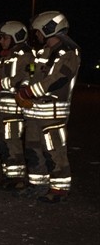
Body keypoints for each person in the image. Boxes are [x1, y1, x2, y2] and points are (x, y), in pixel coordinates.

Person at [16, 11, 80, 203]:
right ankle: (38, 185)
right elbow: (33, 73)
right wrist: (23, 87)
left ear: (48, 28)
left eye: (37, 31)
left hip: (52, 112)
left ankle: (59, 189)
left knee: (54, 151)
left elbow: (56, 80)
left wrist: (29, 92)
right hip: (35, 112)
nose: (36, 34)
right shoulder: (44, 51)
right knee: (33, 150)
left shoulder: (69, 52)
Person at [0, 21, 33, 189]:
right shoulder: (6, 56)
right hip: (2, 110)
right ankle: (9, 176)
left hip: (14, 109)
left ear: (15, 37)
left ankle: (18, 179)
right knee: (2, 144)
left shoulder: (25, 56)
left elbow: (25, 78)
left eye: (4, 38)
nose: (1, 41)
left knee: (12, 143)